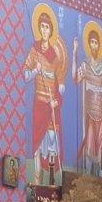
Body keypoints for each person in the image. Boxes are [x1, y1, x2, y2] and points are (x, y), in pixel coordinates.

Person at [24, 9, 67, 185]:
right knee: (37, 143)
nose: (44, 30)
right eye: (41, 26)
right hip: (39, 104)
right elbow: (25, 75)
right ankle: (36, 181)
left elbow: (61, 84)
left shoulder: (55, 56)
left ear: (51, 30)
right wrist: (36, 70)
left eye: (47, 27)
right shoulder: (34, 51)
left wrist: (57, 99)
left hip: (51, 105)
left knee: (51, 142)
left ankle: (50, 182)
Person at [72, 24, 102, 175]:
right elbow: (75, 78)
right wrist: (74, 54)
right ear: (89, 45)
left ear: (99, 46)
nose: (94, 45)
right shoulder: (85, 66)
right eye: (91, 42)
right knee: (90, 146)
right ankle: (87, 179)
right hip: (90, 114)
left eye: (96, 42)